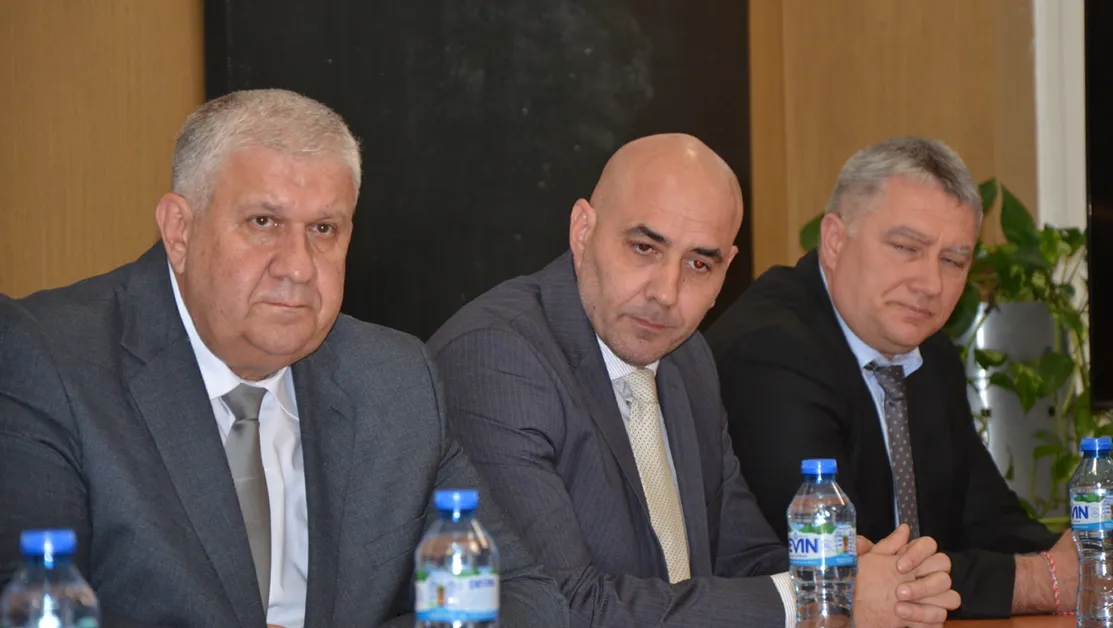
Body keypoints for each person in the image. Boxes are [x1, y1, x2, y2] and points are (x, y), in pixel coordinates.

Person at [0, 89, 567, 628]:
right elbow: (28, 608)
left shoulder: (395, 379)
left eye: (323, 229)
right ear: (180, 230)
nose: (297, 266)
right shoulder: (52, 360)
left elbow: (524, 597)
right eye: (263, 223)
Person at [428, 133, 959, 628]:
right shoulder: (497, 358)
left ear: (727, 269)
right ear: (583, 231)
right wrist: (818, 596)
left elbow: (742, 557)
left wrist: (861, 578)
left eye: (700, 264)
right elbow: (565, 607)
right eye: (644, 247)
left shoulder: (687, 358)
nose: (666, 292)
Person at [706, 136, 1072, 619]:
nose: (930, 284)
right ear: (835, 241)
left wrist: (1083, 560)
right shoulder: (770, 352)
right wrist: (1043, 581)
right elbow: (848, 573)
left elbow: (987, 516)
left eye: (953, 260)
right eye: (906, 248)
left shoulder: (926, 350)